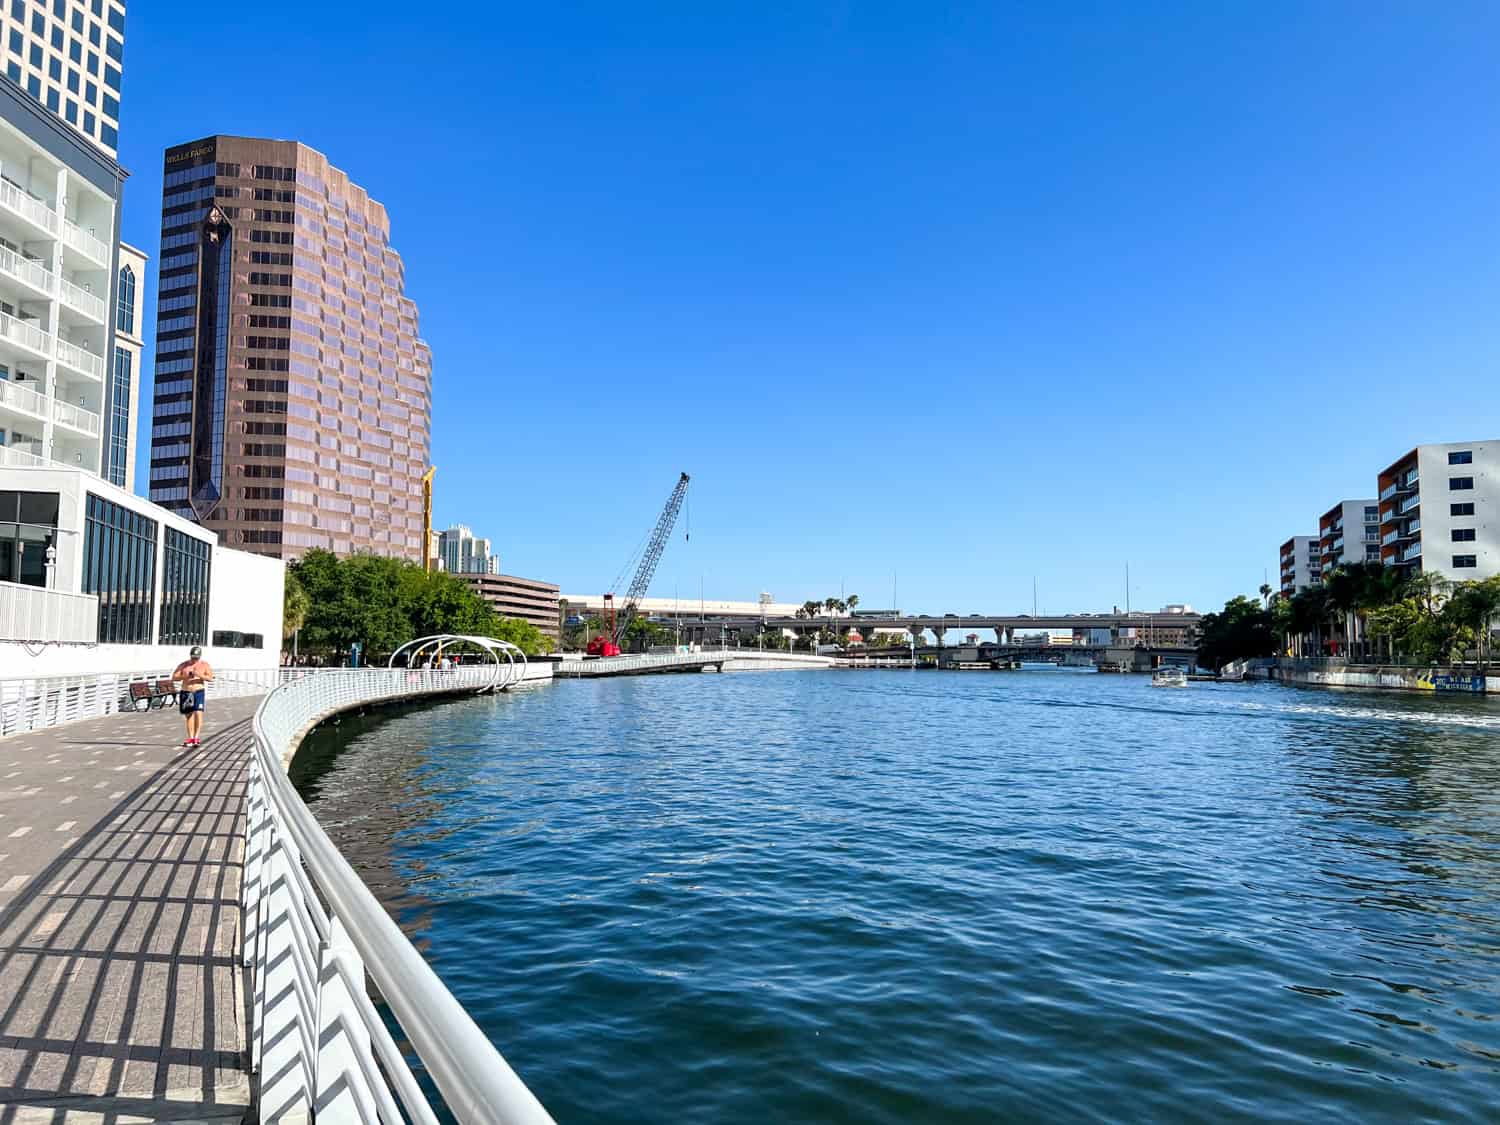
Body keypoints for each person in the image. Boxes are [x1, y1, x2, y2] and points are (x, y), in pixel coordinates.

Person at [172, 645, 214, 747]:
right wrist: (186, 676)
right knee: (189, 715)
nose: (194, 660)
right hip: (186, 691)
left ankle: (196, 737)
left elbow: (210, 678)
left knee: (198, 713)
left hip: (198, 690)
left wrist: (199, 675)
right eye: (193, 657)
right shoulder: (184, 665)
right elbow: (174, 677)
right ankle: (191, 738)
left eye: (196, 658)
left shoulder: (204, 665)